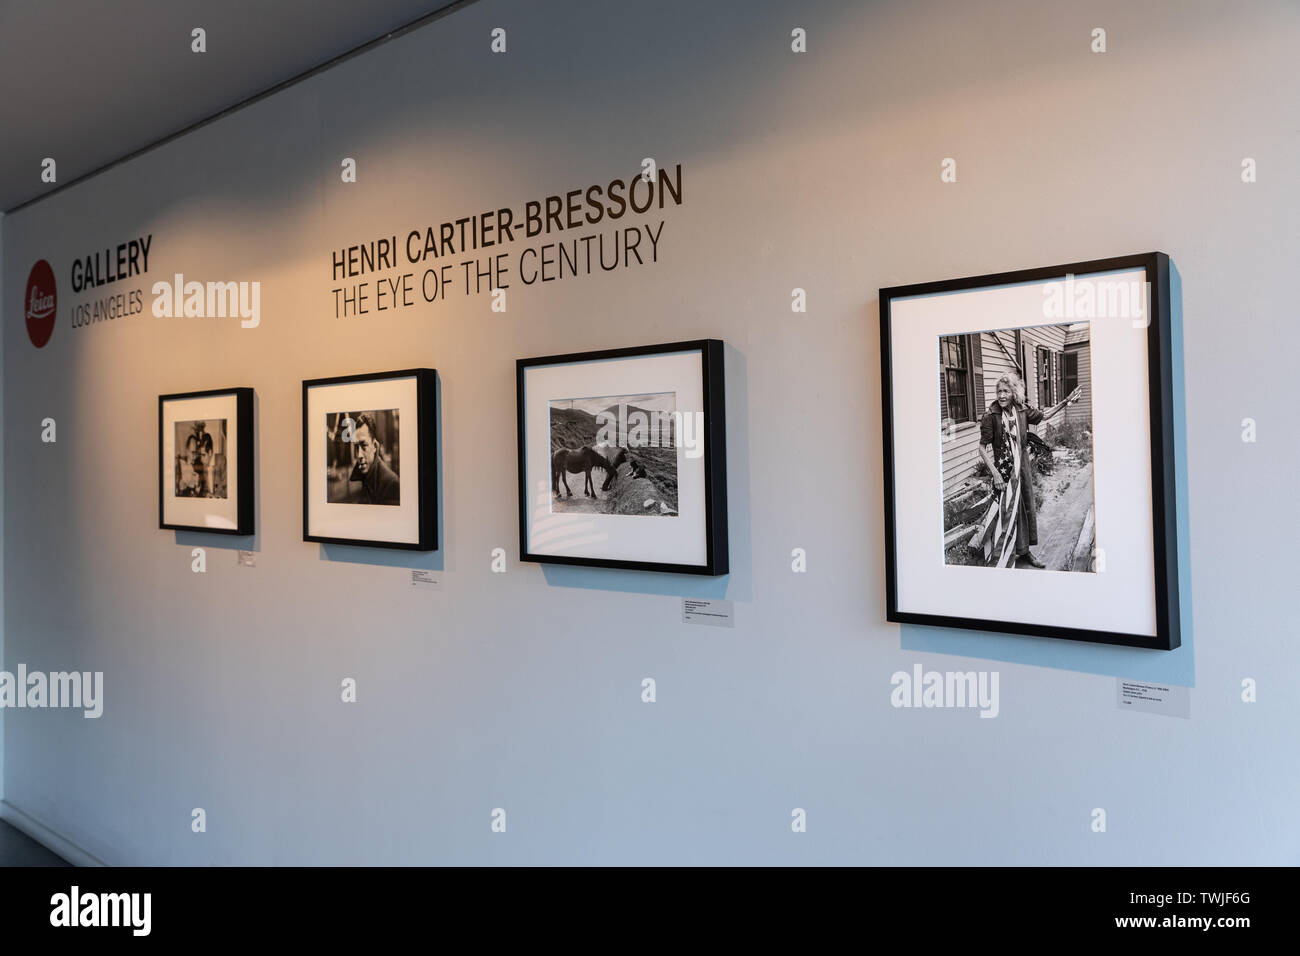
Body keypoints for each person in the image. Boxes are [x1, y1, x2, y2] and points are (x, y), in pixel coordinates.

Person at [972, 372, 1081, 569]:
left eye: (1006, 391)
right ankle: (1005, 551)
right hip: (1003, 473)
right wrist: (995, 474)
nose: (1002, 395)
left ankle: (1025, 550)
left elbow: (1045, 415)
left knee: (1025, 506)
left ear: (1013, 392)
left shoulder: (1022, 410)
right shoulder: (991, 416)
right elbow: (982, 448)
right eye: (999, 391)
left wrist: (1066, 401)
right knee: (1006, 511)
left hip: (1023, 468)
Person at [349, 412, 400, 505]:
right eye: (356, 447)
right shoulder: (366, 476)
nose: (359, 455)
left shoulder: (391, 484)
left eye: (364, 445)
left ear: (375, 446)